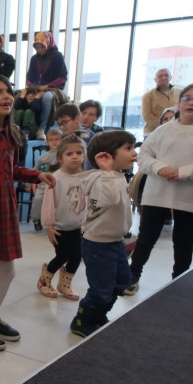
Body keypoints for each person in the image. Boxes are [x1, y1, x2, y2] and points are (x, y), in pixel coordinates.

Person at [0, 75, 55, 351]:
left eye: (8, 91)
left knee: (7, 270)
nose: (6, 96)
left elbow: (11, 170)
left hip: (3, 204)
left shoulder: (13, 132)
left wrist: (36, 175)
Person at [125, 83, 193, 295]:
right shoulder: (163, 130)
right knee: (146, 237)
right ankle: (133, 275)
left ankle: (178, 281)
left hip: (190, 194)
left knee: (183, 241)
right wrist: (159, 168)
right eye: (187, 98)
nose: (191, 102)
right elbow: (144, 156)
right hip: (157, 191)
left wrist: (184, 172)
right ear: (179, 103)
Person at [69, 131, 137, 337]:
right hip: (98, 244)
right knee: (101, 289)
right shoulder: (102, 179)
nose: (134, 153)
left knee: (121, 282)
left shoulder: (117, 176)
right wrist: (107, 172)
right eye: (128, 148)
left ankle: (99, 315)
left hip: (115, 241)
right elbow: (106, 201)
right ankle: (82, 320)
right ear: (107, 155)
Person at [37, 136, 87, 299]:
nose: (75, 157)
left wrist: (85, 223)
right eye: (69, 154)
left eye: (79, 153)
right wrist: (48, 227)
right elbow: (48, 204)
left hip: (76, 227)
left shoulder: (84, 177)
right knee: (63, 255)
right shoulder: (56, 178)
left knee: (77, 256)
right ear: (60, 158)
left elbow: (85, 202)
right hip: (59, 227)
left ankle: (64, 284)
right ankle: (44, 281)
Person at [26, 31, 68, 134]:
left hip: (53, 88)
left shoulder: (57, 56)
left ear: (48, 44)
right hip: (35, 88)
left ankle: (42, 127)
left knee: (47, 97)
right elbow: (29, 77)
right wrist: (32, 86)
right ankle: (24, 128)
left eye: (42, 47)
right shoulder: (34, 59)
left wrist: (47, 86)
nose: (39, 50)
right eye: (37, 47)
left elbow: (62, 77)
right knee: (19, 96)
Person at [29, 128, 63, 230]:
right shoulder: (42, 157)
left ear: (62, 141)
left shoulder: (64, 156)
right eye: (51, 140)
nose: (54, 142)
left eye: (57, 139)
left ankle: (57, 221)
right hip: (44, 185)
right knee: (38, 200)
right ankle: (36, 219)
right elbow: (35, 170)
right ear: (47, 142)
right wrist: (32, 183)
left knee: (60, 202)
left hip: (59, 185)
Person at [141, 68, 180, 138]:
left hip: (175, 132)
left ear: (170, 77)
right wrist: (164, 125)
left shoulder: (180, 93)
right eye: (160, 76)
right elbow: (147, 116)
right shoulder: (148, 96)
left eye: (166, 75)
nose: (163, 78)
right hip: (153, 133)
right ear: (155, 80)